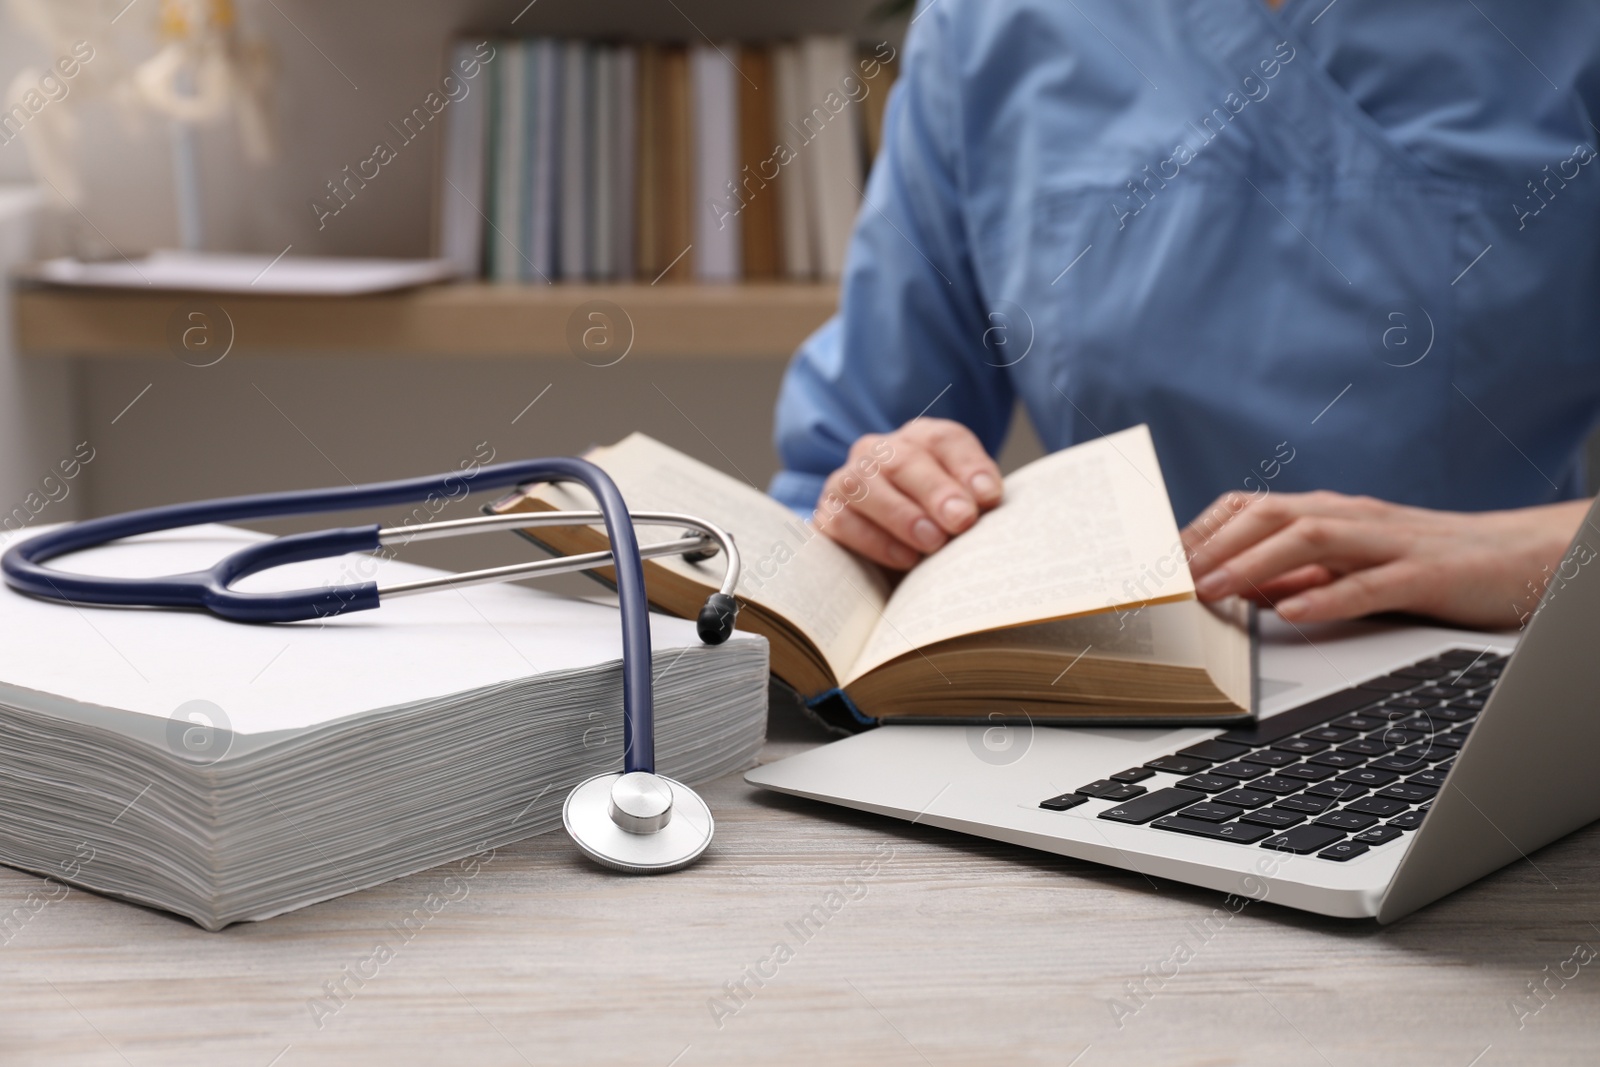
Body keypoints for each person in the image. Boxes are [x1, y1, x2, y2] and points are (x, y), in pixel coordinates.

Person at [770, 0, 1600, 630]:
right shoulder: (990, 28)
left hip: (1511, 699)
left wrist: (1546, 553)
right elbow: (836, 479)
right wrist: (894, 499)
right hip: (1114, 708)